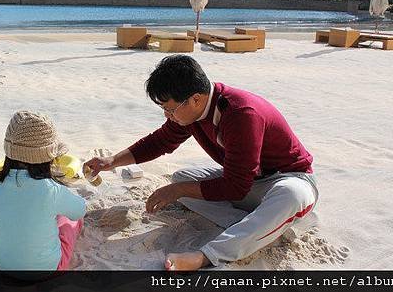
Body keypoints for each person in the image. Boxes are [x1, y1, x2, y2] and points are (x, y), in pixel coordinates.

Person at [85, 55, 318, 271]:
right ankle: (250, 226)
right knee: (182, 178)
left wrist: (177, 191)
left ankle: (207, 255)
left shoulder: (241, 113)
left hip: (289, 179)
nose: (168, 116)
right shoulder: (192, 112)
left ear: (195, 99)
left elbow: (236, 187)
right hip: (250, 182)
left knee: (291, 195)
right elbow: (159, 142)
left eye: (170, 109)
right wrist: (112, 161)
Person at [0, 111, 85, 271]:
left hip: (3, 266)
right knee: (70, 221)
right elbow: (80, 210)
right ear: (47, 155)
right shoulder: (50, 189)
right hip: (47, 269)